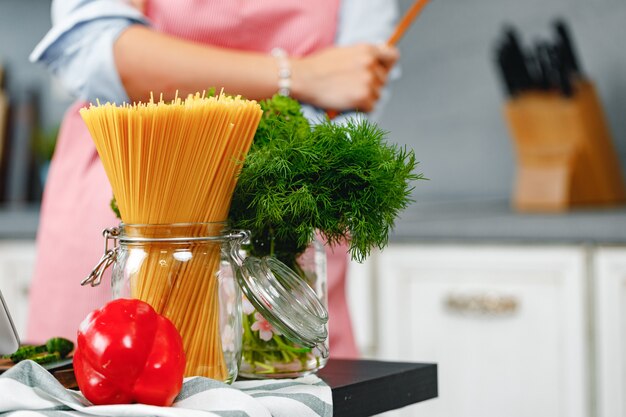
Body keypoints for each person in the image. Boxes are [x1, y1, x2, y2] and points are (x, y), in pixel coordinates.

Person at [27, 0, 400, 358]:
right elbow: (100, 54)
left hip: (286, 228)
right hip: (133, 195)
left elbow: (356, 80)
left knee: (290, 378)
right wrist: (298, 75)